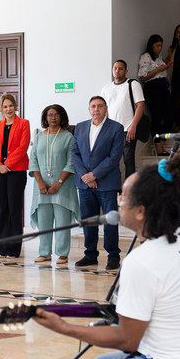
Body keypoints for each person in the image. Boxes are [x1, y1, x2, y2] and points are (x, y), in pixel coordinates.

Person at [34, 155, 180, 359]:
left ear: (140, 211)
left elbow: (127, 340)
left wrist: (64, 327)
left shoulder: (142, 261)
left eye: (124, 197)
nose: (118, 201)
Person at [71, 96, 124, 270]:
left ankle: (113, 256)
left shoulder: (117, 128)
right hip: (85, 184)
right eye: (93, 106)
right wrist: (86, 176)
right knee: (88, 220)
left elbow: (114, 158)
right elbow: (75, 154)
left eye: (100, 106)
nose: (96, 109)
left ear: (106, 108)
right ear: (89, 109)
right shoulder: (80, 127)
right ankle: (90, 255)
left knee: (109, 221)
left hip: (107, 183)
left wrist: (94, 175)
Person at [29, 104, 79, 264]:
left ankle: (63, 253)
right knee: (44, 221)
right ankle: (44, 253)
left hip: (62, 187)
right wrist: (40, 182)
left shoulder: (68, 137)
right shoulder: (39, 137)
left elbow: (71, 163)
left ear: (62, 117)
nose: (53, 118)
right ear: (45, 118)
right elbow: (33, 160)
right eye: (50, 115)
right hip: (41, 187)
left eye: (56, 115)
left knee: (62, 221)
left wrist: (58, 182)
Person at [0, 93, 30, 258]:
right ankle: (2, 248)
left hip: (16, 171)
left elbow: (23, 147)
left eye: (11, 106)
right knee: (2, 208)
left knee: (14, 208)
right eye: (5, 106)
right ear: (1, 109)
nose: (8, 109)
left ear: (15, 106)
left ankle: (13, 249)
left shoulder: (24, 124)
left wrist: (8, 165)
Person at [100, 60, 145, 178]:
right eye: (115, 68)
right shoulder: (106, 88)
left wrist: (133, 125)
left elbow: (140, 105)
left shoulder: (132, 84)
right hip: (112, 130)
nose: (117, 71)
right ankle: (115, 188)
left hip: (128, 129)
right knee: (111, 161)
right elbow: (104, 110)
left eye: (120, 68)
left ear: (126, 71)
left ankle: (130, 190)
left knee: (128, 160)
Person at [138, 34, 171, 156]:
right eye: (157, 45)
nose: (159, 48)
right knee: (156, 117)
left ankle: (161, 144)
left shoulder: (159, 57)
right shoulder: (146, 57)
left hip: (163, 87)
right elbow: (142, 76)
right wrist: (159, 69)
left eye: (161, 46)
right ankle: (158, 147)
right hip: (153, 88)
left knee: (168, 116)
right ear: (151, 45)